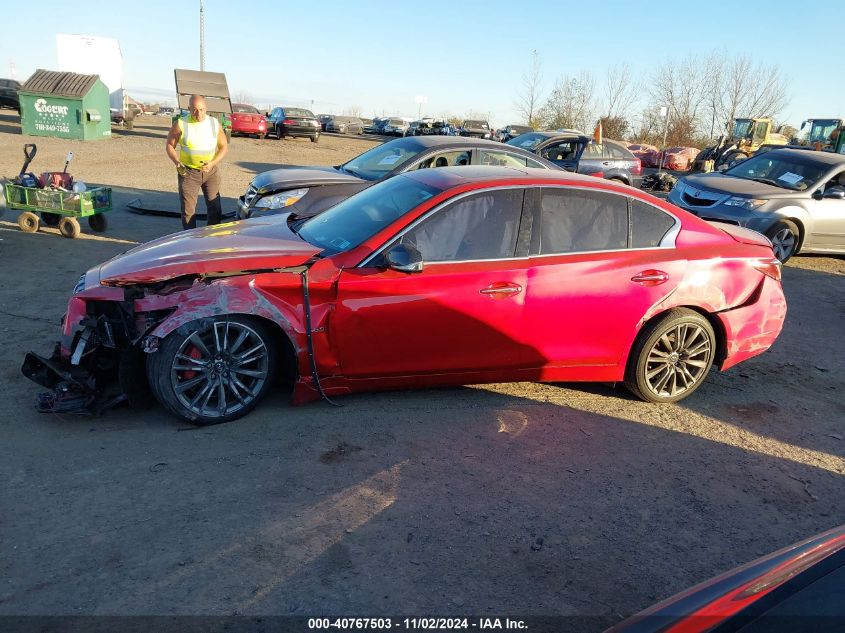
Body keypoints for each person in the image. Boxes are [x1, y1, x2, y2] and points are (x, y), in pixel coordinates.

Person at [166, 95, 229, 230]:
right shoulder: (181, 124)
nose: (198, 114)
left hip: (210, 172)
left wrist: (212, 163)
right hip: (188, 173)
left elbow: (224, 147)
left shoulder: (214, 123)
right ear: (189, 108)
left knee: (215, 208)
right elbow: (170, 145)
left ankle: (211, 238)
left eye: (202, 109)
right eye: (194, 110)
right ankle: (190, 240)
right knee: (188, 211)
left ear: (206, 108)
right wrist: (176, 161)